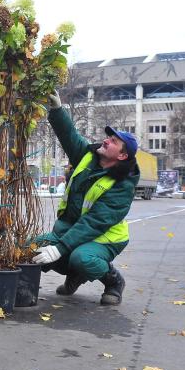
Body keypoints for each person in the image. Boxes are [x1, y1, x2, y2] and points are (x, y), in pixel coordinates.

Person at [31, 91, 139, 305]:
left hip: (105, 238)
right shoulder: (88, 156)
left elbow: (94, 223)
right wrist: (57, 110)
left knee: (81, 258)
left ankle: (113, 282)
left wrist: (60, 248)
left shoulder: (122, 185)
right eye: (109, 137)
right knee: (33, 247)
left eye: (113, 141)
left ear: (122, 156)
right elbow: (69, 135)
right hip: (71, 230)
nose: (106, 140)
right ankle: (75, 275)